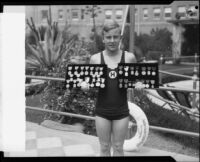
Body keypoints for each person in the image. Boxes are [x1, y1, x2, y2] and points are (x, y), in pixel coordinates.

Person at [82, 20, 140, 156]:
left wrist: (139, 85)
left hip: (121, 111)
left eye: (115, 37)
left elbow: (137, 80)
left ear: (120, 38)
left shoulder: (129, 58)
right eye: (108, 37)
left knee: (119, 147)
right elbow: (88, 82)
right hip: (102, 111)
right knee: (104, 147)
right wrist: (85, 86)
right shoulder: (95, 59)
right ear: (103, 39)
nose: (112, 40)